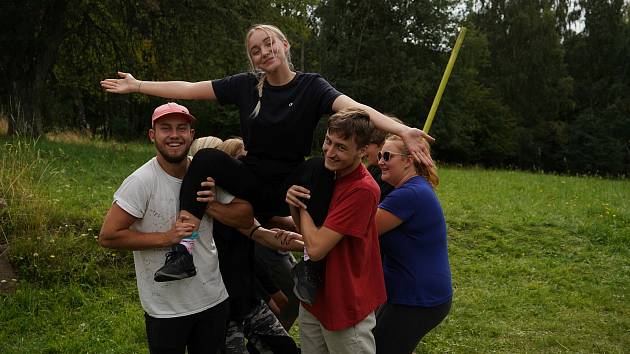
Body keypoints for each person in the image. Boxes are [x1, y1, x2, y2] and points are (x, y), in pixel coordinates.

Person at [100, 24, 433, 288]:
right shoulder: (246, 86)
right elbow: (190, 88)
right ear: (253, 60)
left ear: (285, 45)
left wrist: (402, 131)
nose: (264, 52)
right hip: (252, 180)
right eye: (255, 50)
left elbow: (355, 108)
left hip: (291, 184)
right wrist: (139, 84)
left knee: (321, 165)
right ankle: (183, 251)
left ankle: (312, 266)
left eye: (269, 44)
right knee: (205, 159)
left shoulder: (311, 87)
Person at [98, 102, 252, 353]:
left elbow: (245, 218)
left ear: (191, 135)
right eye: (165, 128)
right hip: (165, 308)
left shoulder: (207, 174)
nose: (174, 135)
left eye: (182, 128)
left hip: (212, 299)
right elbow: (108, 236)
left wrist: (211, 206)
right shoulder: (141, 182)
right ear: (152, 135)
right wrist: (167, 237)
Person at [285, 108, 386, 354]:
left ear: (363, 151)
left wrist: (303, 206)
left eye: (341, 147)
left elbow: (317, 248)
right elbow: (309, 235)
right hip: (315, 297)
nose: (330, 152)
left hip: (345, 302)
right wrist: (292, 202)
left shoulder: (362, 189)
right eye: (328, 141)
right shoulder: (328, 174)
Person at [194, 136, 300, 353]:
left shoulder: (237, 207)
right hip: (221, 309)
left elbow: (256, 243)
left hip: (248, 301)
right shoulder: (197, 218)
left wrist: (311, 244)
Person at [373, 135, 452, 354]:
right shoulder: (412, 189)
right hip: (409, 293)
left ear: (408, 160)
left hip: (417, 299)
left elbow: (360, 233)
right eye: (380, 155)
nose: (380, 161)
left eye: (387, 156)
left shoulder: (409, 194)